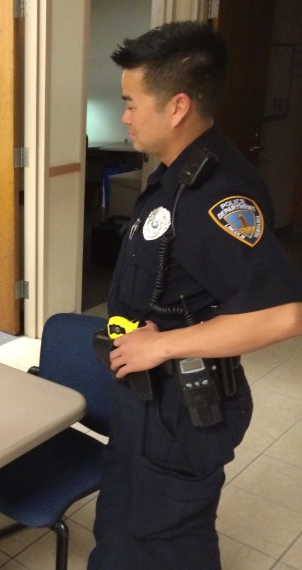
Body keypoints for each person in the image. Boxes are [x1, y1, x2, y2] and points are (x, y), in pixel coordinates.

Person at [88, 22, 302, 569]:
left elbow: (284, 316)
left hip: (183, 410)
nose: (125, 116)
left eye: (132, 103)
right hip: (147, 401)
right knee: (123, 527)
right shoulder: (173, 180)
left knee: (165, 543)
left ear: (177, 105)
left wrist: (162, 347)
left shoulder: (219, 195)